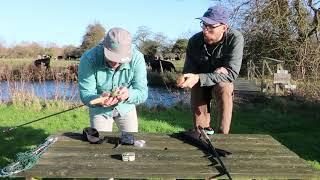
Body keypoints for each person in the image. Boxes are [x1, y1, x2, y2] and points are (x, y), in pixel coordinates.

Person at [178, 5, 244, 134]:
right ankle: (202, 132)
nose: (205, 30)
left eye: (211, 27)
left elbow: (231, 74)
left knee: (225, 86)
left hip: (218, 82)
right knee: (196, 85)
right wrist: (186, 79)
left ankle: (223, 134)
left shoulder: (235, 39)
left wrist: (200, 77)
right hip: (201, 83)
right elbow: (189, 72)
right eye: (203, 24)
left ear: (224, 27)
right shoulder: (194, 41)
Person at [78, 27, 148, 133]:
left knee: (130, 144)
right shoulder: (88, 59)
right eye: (112, 58)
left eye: (120, 60)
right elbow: (86, 94)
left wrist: (128, 94)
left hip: (127, 108)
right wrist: (99, 99)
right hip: (99, 110)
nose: (115, 63)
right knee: (100, 145)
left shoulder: (137, 58)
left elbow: (142, 93)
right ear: (104, 48)